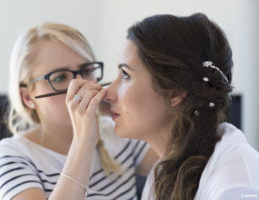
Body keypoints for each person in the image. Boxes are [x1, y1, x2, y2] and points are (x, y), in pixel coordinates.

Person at [64, 13, 259, 200]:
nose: (107, 93)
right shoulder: (165, 170)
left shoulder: (235, 186)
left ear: (174, 92)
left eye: (125, 75)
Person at [0, 22, 157, 200]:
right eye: (60, 77)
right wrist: (83, 142)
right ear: (27, 98)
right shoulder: (13, 155)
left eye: (86, 70)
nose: (79, 86)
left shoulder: (117, 133)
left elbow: (178, 166)